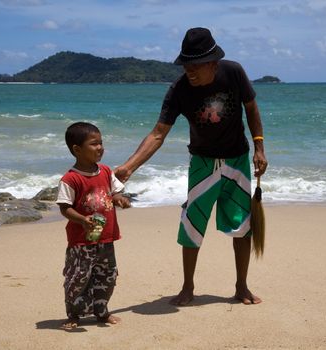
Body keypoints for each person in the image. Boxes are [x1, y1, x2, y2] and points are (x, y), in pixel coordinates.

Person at [115, 27, 268, 306]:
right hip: (202, 162)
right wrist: (128, 167)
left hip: (237, 159)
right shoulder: (179, 90)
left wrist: (259, 146)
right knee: (192, 224)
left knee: (243, 226)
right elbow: (158, 133)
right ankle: (187, 287)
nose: (190, 72)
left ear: (213, 63)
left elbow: (252, 108)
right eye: (186, 66)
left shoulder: (233, 72)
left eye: (195, 66)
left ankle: (242, 286)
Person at [56, 121, 131, 329]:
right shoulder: (71, 179)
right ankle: (73, 315)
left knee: (107, 275)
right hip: (81, 241)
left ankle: (102, 312)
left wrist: (119, 199)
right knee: (78, 277)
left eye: (101, 143)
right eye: (94, 144)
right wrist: (82, 220)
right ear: (77, 150)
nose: (100, 148)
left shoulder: (106, 171)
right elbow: (64, 208)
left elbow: (116, 190)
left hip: (106, 238)